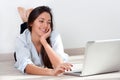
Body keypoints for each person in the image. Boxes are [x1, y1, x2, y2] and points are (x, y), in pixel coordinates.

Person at [14, 6, 72, 76]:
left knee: (35, 31)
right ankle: (25, 20)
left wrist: (44, 42)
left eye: (49, 22)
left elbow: (60, 65)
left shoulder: (54, 35)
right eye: (41, 21)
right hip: (28, 38)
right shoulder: (21, 39)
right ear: (31, 22)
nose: (45, 25)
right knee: (26, 33)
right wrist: (51, 72)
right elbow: (26, 66)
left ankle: (27, 19)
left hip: (33, 30)